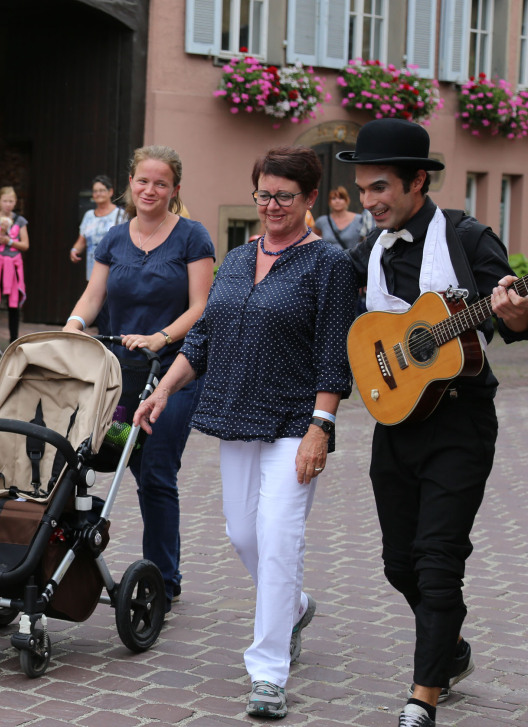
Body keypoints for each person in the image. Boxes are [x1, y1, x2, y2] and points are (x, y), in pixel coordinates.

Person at [134, 146, 356, 720]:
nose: (272, 205)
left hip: (294, 422)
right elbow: (203, 340)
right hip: (237, 414)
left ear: (310, 200)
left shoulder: (329, 265)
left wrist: (320, 429)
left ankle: (268, 671)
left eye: (286, 195)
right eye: (264, 194)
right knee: (242, 534)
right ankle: (295, 606)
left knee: (279, 537)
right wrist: (163, 389)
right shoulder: (236, 259)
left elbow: (335, 356)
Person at [338, 118, 528, 727]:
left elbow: (515, 321)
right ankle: (451, 647)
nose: (368, 203)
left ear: (418, 181)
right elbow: (353, 325)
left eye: (380, 189)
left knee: (437, 557)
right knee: (400, 564)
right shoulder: (369, 250)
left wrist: (514, 310)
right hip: (395, 422)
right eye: (363, 190)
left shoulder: (469, 239)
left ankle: (423, 697)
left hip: (460, 424)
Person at [64, 145, 214, 608]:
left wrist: (160, 336)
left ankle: (163, 582)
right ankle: (69, 567)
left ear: (175, 189)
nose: (150, 190)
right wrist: (72, 327)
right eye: (143, 181)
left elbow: (201, 306)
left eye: (161, 183)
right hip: (119, 373)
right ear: (131, 183)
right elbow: (94, 296)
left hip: (175, 371)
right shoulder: (112, 237)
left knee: (154, 474)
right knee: (88, 460)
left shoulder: (192, 237)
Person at [70, 174, 126, 336]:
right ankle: (104, 345)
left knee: (112, 311)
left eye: (102, 190)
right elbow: (82, 240)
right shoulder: (88, 215)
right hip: (93, 270)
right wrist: (74, 250)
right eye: (95, 191)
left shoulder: (120, 215)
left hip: (115, 270)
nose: (98, 194)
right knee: (100, 313)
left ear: (110, 192)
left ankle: (114, 344)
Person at [0, 186, 29, 357]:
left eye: (11, 201)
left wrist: (10, 241)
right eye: (5, 201)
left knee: (14, 303)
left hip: (14, 267)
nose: (8, 204)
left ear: (15, 202)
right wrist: (0, 232)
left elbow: (25, 245)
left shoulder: (20, 221)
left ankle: (14, 341)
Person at [313, 186, 373, 250]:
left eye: (341, 198)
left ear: (347, 200)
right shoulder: (322, 221)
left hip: (350, 258)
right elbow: (314, 240)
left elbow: (366, 240)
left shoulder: (359, 219)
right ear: (329, 202)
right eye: (333, 198)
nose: (337, 201)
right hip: (328, 258)